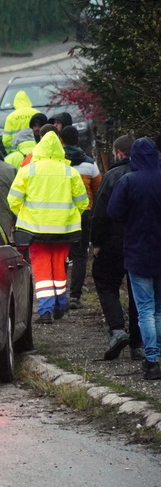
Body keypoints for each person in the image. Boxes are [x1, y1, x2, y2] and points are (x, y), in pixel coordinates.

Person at [8, 131, 89, 324]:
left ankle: (45, 311)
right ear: (60, 150)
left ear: (39, 149)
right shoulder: (70, 172)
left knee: (42, 269)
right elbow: (83, 202)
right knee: (59, 267)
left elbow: (13, 200)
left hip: (35, 231)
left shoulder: (28, 171)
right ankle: (60, 304)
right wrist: (68, 215)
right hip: (63, 231)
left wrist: (25, 214)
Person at [107, 138, 161, 380]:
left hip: (138, 252)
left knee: (146, 309)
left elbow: (113, 212)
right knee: (159, 309)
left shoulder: (128, 180)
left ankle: (151, 360)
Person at [91, 135, 143, 361]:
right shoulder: (151, 174)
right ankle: (138, 344)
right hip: (142, 242)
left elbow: (100, 214)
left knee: (104, 281)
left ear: (119, 153)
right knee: (138, 292)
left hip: (114, 241)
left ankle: (117, 330)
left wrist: (97, 243)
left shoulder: (112, 176)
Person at [59, 125, 101, 310]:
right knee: (80, 255)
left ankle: (59, 294)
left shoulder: (57, 163)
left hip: (61, 213)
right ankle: (75, 296)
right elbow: (99, 189)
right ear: (77, 140)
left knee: (60, 254)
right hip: (84, 212)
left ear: (61, 140)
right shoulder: (90, 164)